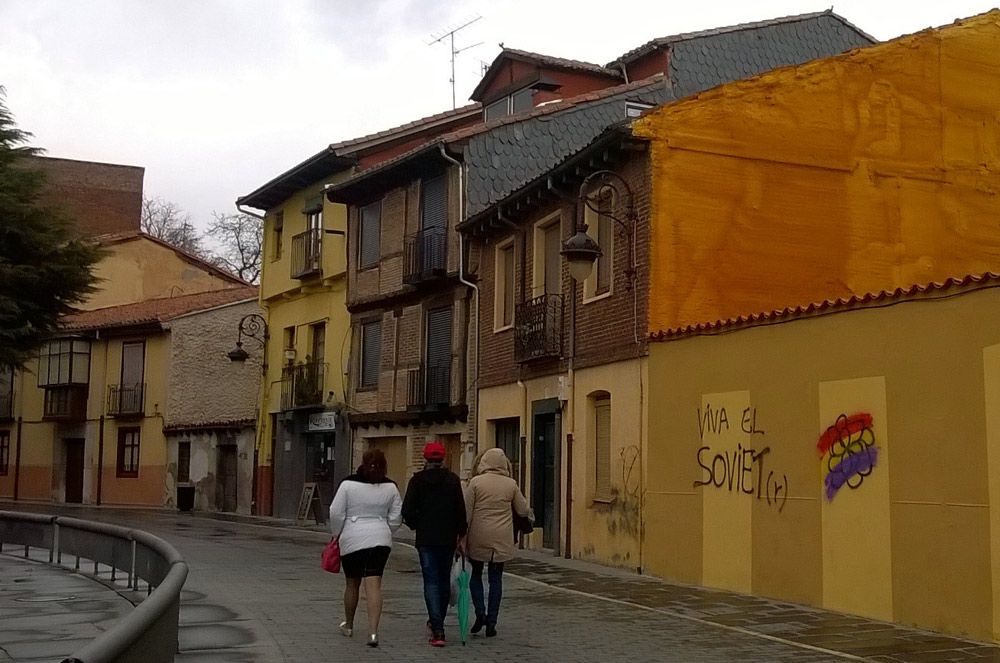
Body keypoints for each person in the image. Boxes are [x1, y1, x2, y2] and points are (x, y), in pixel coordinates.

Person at [328, 448, 403, 648]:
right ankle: (372, 632)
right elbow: (397, 516)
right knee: (374, 585)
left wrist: (337, 533)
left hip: (352, 538)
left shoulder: (347, 484)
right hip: (380, 539)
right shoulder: (391, 487)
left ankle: (349, 624)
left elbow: (335, 512)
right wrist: (386, 529)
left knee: (352, 583)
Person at [402, 441, 467, 647]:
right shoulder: (453, 480)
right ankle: (437, 623)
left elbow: (407, 512)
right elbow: (460, 511)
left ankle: (437, 629)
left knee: (430, 581)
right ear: (443, 459)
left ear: (425, 458)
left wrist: (416, 525)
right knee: (443, 580)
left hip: (426, 539)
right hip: (447, 538)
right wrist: (461, 535)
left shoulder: (417, 481)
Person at [464, 447, 532, 638]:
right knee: (496, 578)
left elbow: (467, 514)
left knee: (475, 574)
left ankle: (480, 612)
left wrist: (462, 538)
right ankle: (492, 620)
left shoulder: (475, 483)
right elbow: (523, 510)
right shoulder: (511, 484)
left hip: (478, 533)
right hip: (502, 535)